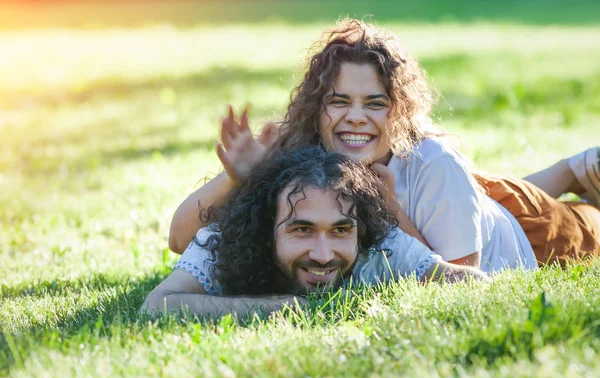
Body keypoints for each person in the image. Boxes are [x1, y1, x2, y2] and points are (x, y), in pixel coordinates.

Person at [168, 19, 600, 271]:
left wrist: (389, 207)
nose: (355, 116)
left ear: (400, 112)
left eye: (375, 104)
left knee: (589, 225)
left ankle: (577, 172)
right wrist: (242, 179)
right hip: (470, 201)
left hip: (533, 233)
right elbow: (180, 236)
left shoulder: (435, 165)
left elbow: (458, 282)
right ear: (316, 110)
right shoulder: (304, 153)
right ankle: (570, 171)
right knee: (483, 191)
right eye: (339, 101)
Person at [141, 147, 491, 318]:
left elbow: (471, 282)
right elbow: (156, 305)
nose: (323, 255)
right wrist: (282, 307)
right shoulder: (224, 242)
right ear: (267, 229)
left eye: (340, 230)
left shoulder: (378, 247)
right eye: (302, 229)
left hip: (511, 218)